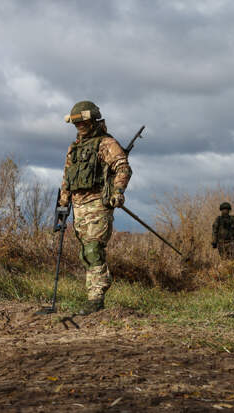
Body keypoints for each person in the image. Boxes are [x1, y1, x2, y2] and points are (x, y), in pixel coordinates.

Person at [59, 101, 132, 315]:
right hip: (78, 207)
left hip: (98, 204)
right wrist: (63, 203)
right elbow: (66, 179)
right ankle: (93, 296)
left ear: (93, 120)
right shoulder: (75, 148)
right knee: (85, 253)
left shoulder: (106, 143)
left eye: (83, 122)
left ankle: (96, 298)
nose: (80, 126)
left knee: (93, 250)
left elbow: (123, 168)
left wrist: (118, 191)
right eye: (76, 123)